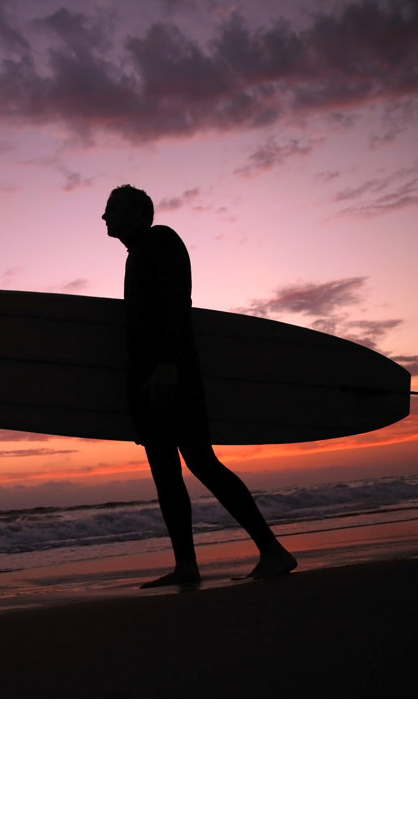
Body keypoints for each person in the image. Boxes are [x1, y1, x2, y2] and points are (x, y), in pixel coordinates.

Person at [103, 184, 297, 588]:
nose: (104, 218)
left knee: (200, 461)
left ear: (137, 212)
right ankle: (187, 565)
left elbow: (176, 304)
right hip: (149, 377)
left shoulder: (161, 240)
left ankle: (272, 550)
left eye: (111, 210)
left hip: (170, 375)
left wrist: (169, 367)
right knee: (165, 470)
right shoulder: (136, 254)